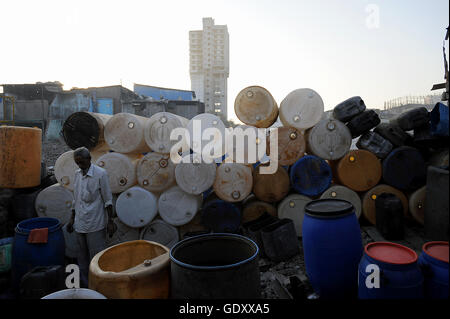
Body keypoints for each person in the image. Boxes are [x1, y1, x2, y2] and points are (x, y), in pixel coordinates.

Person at [66, 147, 116, 287]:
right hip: (80, 223)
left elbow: (107, 199)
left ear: (89, 159)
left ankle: (101, 286)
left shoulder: (100, 174)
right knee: (82, 259)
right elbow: (76, 198)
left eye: (81, 162)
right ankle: (87, 287)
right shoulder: (77, 174)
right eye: (77, 163)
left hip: (95, 223)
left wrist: (110, 221)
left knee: (97, 258)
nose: (79, 165)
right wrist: (72, 218)